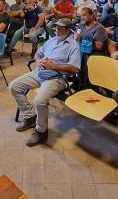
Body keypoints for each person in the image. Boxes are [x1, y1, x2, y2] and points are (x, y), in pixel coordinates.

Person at [10, 18, 80, 147]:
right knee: (14, 86)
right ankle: (30, 116)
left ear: (68, 30)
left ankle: (41, 131)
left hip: (57, 78)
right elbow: (38, 53)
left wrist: (53, 66)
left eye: (60, 28)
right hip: (41, 72)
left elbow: (74, 68)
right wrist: (39, 61)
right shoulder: (51, 40)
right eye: (56, 27)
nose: (57, 30)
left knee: (39, 101)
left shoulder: (73, 45)